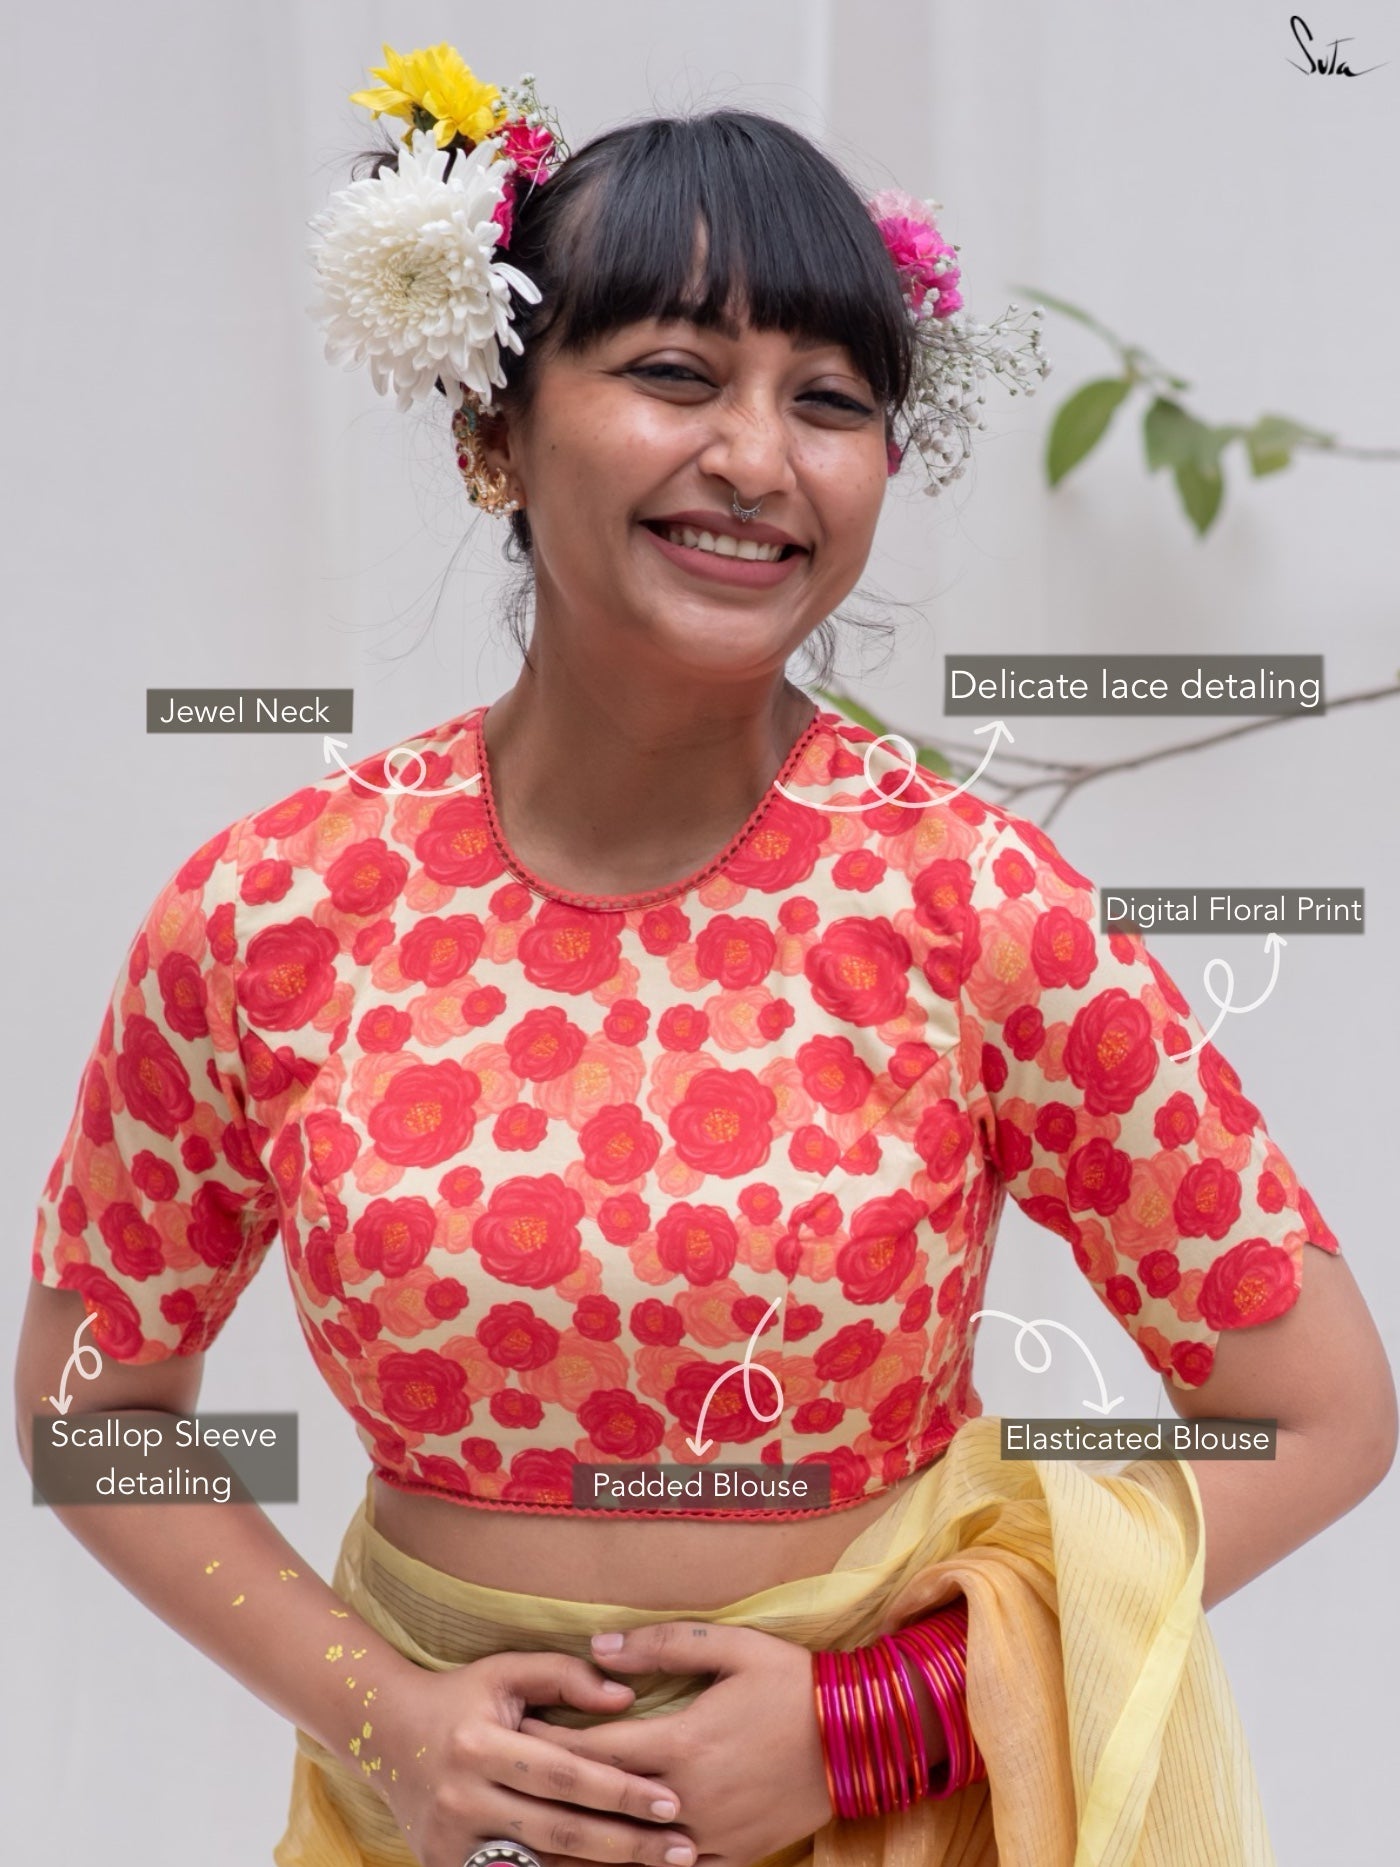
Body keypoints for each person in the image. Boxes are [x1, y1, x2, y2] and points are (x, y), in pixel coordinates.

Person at [15, 48, 1395, 1867]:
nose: (757, 458)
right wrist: (385, 1716)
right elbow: (91, 1409)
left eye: (829, 400)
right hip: (425, 1829)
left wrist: (876, 1723)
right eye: (675, 373)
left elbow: (1313, 1413)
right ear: (492, 434)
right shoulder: (271, 913)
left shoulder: (975, 909)